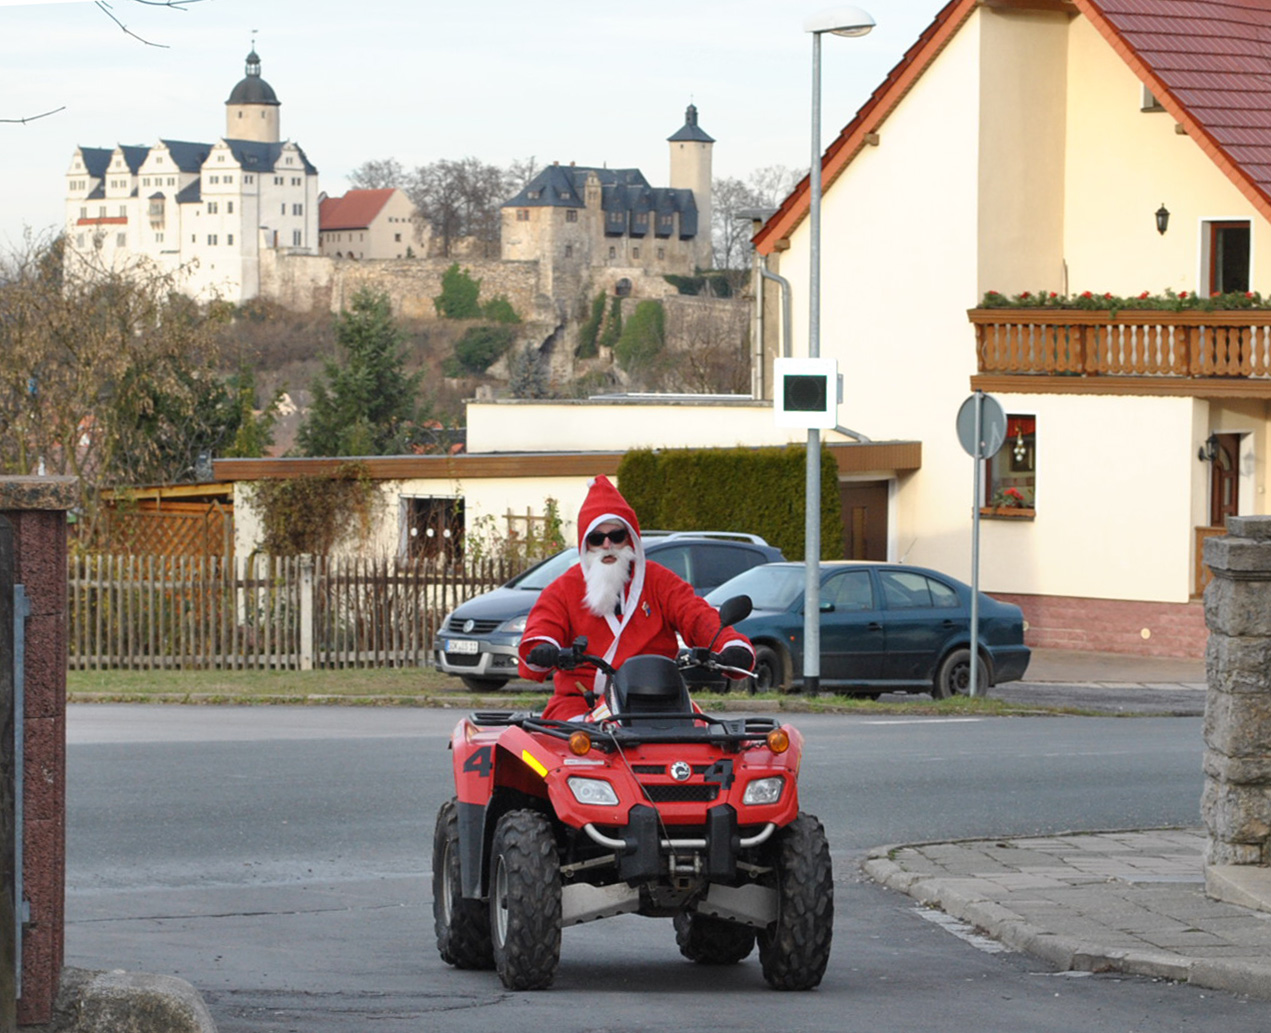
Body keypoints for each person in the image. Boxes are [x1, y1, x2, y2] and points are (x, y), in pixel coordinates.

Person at [518, 476, 754, 721]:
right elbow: (543, 627)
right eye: (597, 539)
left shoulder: (659, 581)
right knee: (571, 747)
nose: (607, 544)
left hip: (659, 698)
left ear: (630, 537)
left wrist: (729, 645)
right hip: (582, 701)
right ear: (585, 544)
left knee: (702, 739)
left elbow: (696, 614)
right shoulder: (563, 588)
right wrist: (543, 648)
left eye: (616, 535)